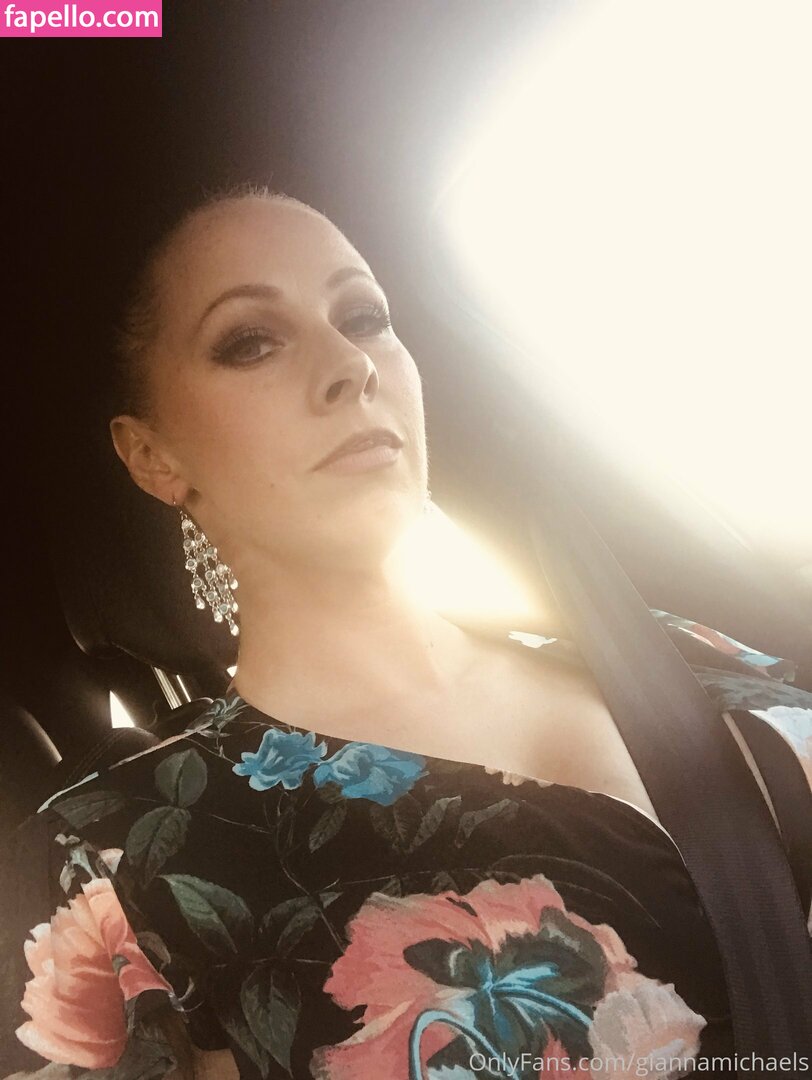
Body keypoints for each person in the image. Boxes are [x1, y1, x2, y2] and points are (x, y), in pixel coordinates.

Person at [1, 185, 810, 1080]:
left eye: (364, 317)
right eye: (252, 341)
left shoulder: (670, 649)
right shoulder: (121, 859)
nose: (351, 364)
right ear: (154, 456)